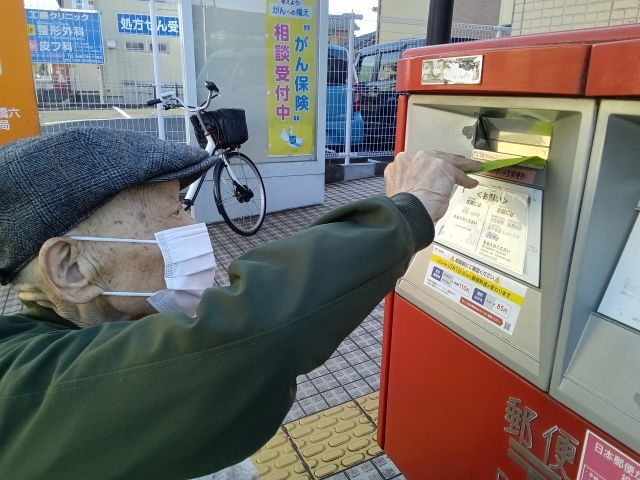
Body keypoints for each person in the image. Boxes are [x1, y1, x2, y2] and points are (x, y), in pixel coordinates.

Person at [0, 128, 482, 479]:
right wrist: (405, 212)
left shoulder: (70, 343)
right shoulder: (21, 388)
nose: (195, 226)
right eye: (174, 210)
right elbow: (246, 331)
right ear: (71, 269)